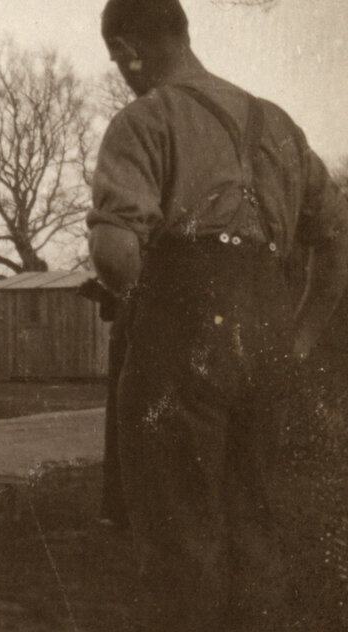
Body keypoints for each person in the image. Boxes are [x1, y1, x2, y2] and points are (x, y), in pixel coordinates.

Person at [88, 0, 348, 629]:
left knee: (178, 533)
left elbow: (115, 251)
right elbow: (337, 238)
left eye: (118, 56)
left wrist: (146, 306)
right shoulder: (279, 125)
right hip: (269, 340)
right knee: (256, 525)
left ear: (128, 49)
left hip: (183, 337)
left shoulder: (145, 119)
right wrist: (304, 334)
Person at [76, 277, 129, 530]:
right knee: (119, 429)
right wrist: (107, 297)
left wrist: (110, 298)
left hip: (137, 347)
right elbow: (110, 314)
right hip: (124, 346)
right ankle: (118, 510)